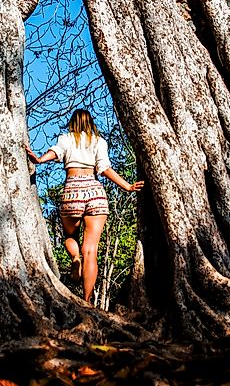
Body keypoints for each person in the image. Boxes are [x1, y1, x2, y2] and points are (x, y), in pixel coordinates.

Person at [25, 109, 144, 306]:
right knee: (91, 251)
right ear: (91, 123)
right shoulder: (99, 142)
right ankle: (87, 301)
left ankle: (74, 257)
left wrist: (38, 159)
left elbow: (55, 152)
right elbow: (104, 168)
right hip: (95, 192)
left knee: (69, 236)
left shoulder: (66, 138)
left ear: (73, 123)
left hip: (72, 191)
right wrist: (127, 186)